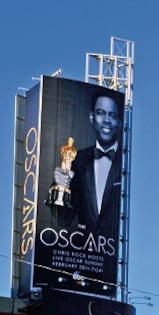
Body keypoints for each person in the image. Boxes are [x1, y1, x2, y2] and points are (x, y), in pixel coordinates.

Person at [51, 91, 122, 237]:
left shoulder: (126, 164)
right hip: (84, 252)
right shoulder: (78, 161)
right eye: (101, 113)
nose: (107, 120)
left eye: (112, 115)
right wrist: (60, 188)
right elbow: (62, 219)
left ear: (119, 122)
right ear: (92, 117)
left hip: (111, 253)